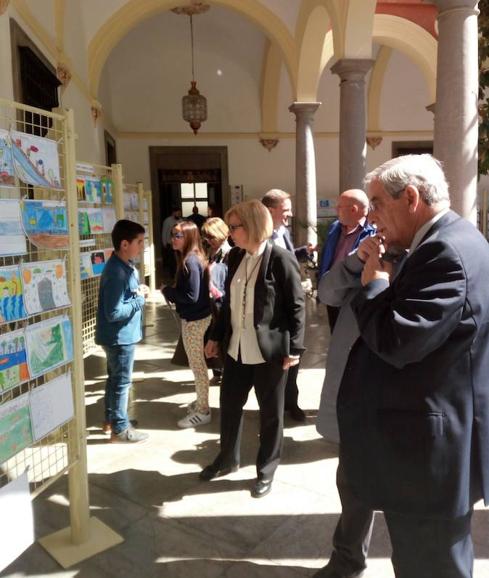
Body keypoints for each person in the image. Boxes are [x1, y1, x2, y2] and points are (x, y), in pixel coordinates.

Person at [315, 154, 489, 578]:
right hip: (426, 445)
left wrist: (374, 286)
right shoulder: (447, 240)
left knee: (428, 564)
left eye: (376, 203)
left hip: (429, 455)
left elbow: (398, 341)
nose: (372, 215)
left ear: (410, 197)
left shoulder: (444, 251)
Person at [201, 199, 305, 498]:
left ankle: (266, 470)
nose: (230, 233)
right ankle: (226, 459)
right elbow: (229, 306)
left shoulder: (280, 259)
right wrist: (214, 335)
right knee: (230, 407)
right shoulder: (234, 257)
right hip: (235, 349)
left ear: (254, 225)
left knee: (271, 414)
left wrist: (295, 348)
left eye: (235, 227)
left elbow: (297, 307)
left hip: (268, 352)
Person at [95, 219, 149, 443]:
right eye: (139, 241)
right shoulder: (116, 272)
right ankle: (120, 428)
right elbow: (114, 312)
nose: (142, 246)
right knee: (121, 383)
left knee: (114, 380)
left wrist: (137, 292)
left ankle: (113, 420)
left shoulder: (124, 266)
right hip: (120, 338)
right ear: (124, 244)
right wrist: (140, 299)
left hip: (120, 336)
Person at [262, 188, 313, 422]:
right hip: (272, 309)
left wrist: (303, 252)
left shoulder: (282, 231)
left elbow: (287, 259)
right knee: (274, 363)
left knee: (294, 356)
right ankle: (274, 407)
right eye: (286, 210)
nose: (290, 215)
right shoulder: (260, 236)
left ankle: (291, 403)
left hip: (292, 304)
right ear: (271, 210)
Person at [161, 220, 212, 428]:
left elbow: (191, 296)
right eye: (173, 234)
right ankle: (201, 402)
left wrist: (168, 291)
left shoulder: (190, 262)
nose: (173, 238)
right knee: (197, 365)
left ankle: (203, 410)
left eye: (178, 235)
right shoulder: (191, 258)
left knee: (197, 366)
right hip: (196, 318)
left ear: (189, 237)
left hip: (195, 321)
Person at [317, 189, 374, 333]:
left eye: (339, 206)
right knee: (335, 334)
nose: (336, 209)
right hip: (332, 291)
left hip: (353, 297)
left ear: (354, 209)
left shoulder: (373, 231)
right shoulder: (335, 227)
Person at [201, 217, 232, 385]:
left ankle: (225, 369)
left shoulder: (229, 254)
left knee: (222, 334)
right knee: (211, 334)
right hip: (211, 302)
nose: (209, 241)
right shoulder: (210, 252)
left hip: (222, 300)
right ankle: (217, 370)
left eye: (211, 237)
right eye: (206, 237)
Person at [161, 207, 181, 278]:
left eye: (179, 213)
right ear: (173, 213)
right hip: (170, 243)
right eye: (177, 212)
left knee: (178, 260)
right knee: (172, 260)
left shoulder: (181, 221)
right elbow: (164, 232)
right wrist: (164, 242)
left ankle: (178, 274)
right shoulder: (167, 220)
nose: (179, 214)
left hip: (179, 243)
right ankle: (172, 275)